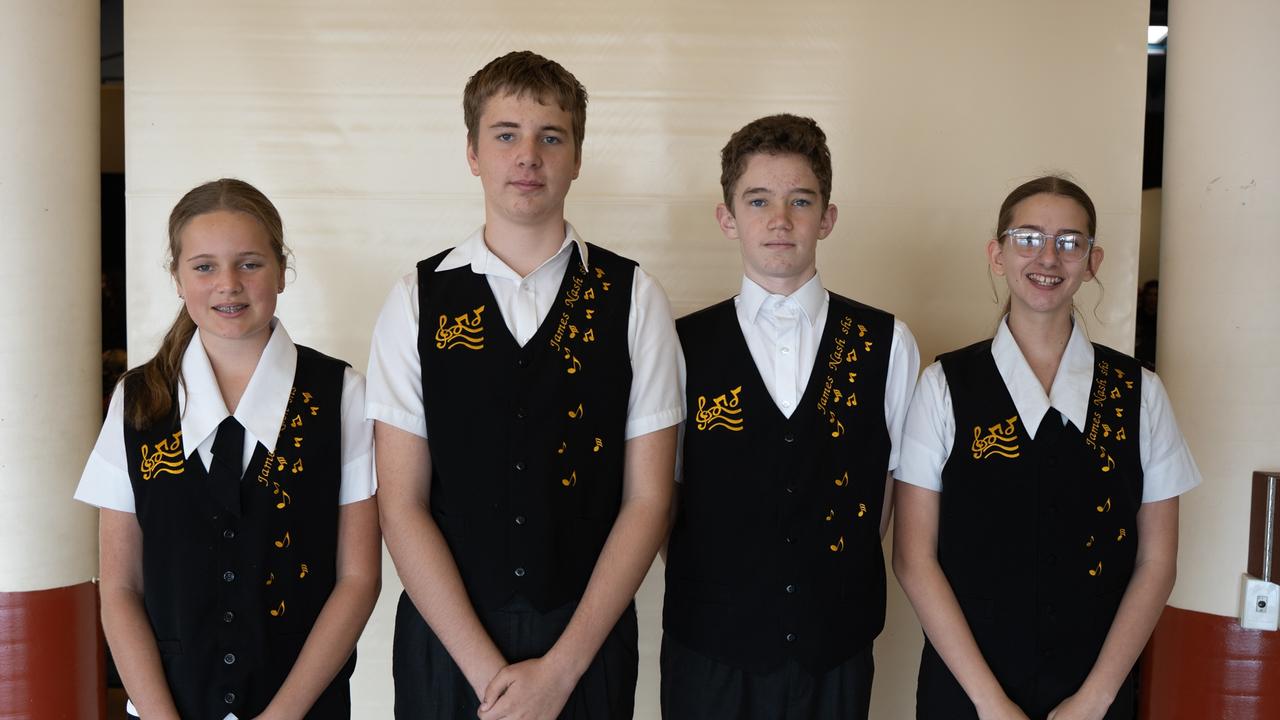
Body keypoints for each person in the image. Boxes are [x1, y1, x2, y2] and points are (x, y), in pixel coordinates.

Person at [367, 51, 682, 719]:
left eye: (551, 136)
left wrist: (561, 672)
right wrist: (489, 676)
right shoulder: (416, 300)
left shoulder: (632, 297)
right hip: (447, 643)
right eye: (505, 134)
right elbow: (400, 505)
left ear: (576, 156)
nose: (528, 155)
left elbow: (649, 499)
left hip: (582, 642)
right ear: (473, 153)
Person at [893, 175, 1201, 719]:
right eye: (1028, 237)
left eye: (1069, 242)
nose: (1049, 257)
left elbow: (1158, 561)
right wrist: (991, 705)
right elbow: (915, 560)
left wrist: (1096, 698)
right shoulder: (944, 385)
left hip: (1093, 692)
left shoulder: (1140, 394)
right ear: (997, 253)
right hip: (966, 695)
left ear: (1093, 260)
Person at [76, 178, 381, 719]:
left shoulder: (341, 397)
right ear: (176, 276)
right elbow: (120, 587)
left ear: (281, 271)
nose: (228, 285)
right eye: (203, 267)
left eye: (249, 264)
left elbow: (357, 579)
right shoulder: (138, 401)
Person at [661, 114, 920, 719]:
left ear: (827, 217)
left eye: (800, 200)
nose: (780, 219)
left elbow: (890, 491)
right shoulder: (680, 345)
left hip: (835, 647)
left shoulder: (886, 342)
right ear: (728, 218)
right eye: (758, 200)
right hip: (709, 649)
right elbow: (663, 495)